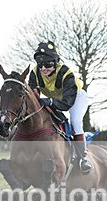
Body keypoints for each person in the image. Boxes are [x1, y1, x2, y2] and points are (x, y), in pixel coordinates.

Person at [28, 40, 93, 174]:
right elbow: (33, 95)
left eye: (48, 63)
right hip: (55, 98)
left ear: (56, 62)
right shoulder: (34, 73)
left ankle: (83, 158)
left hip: (75, 97)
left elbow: (66, 103)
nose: (44, 68)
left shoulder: (66, 73)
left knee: (75, 122)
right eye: (40, 64)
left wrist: (50, 102)